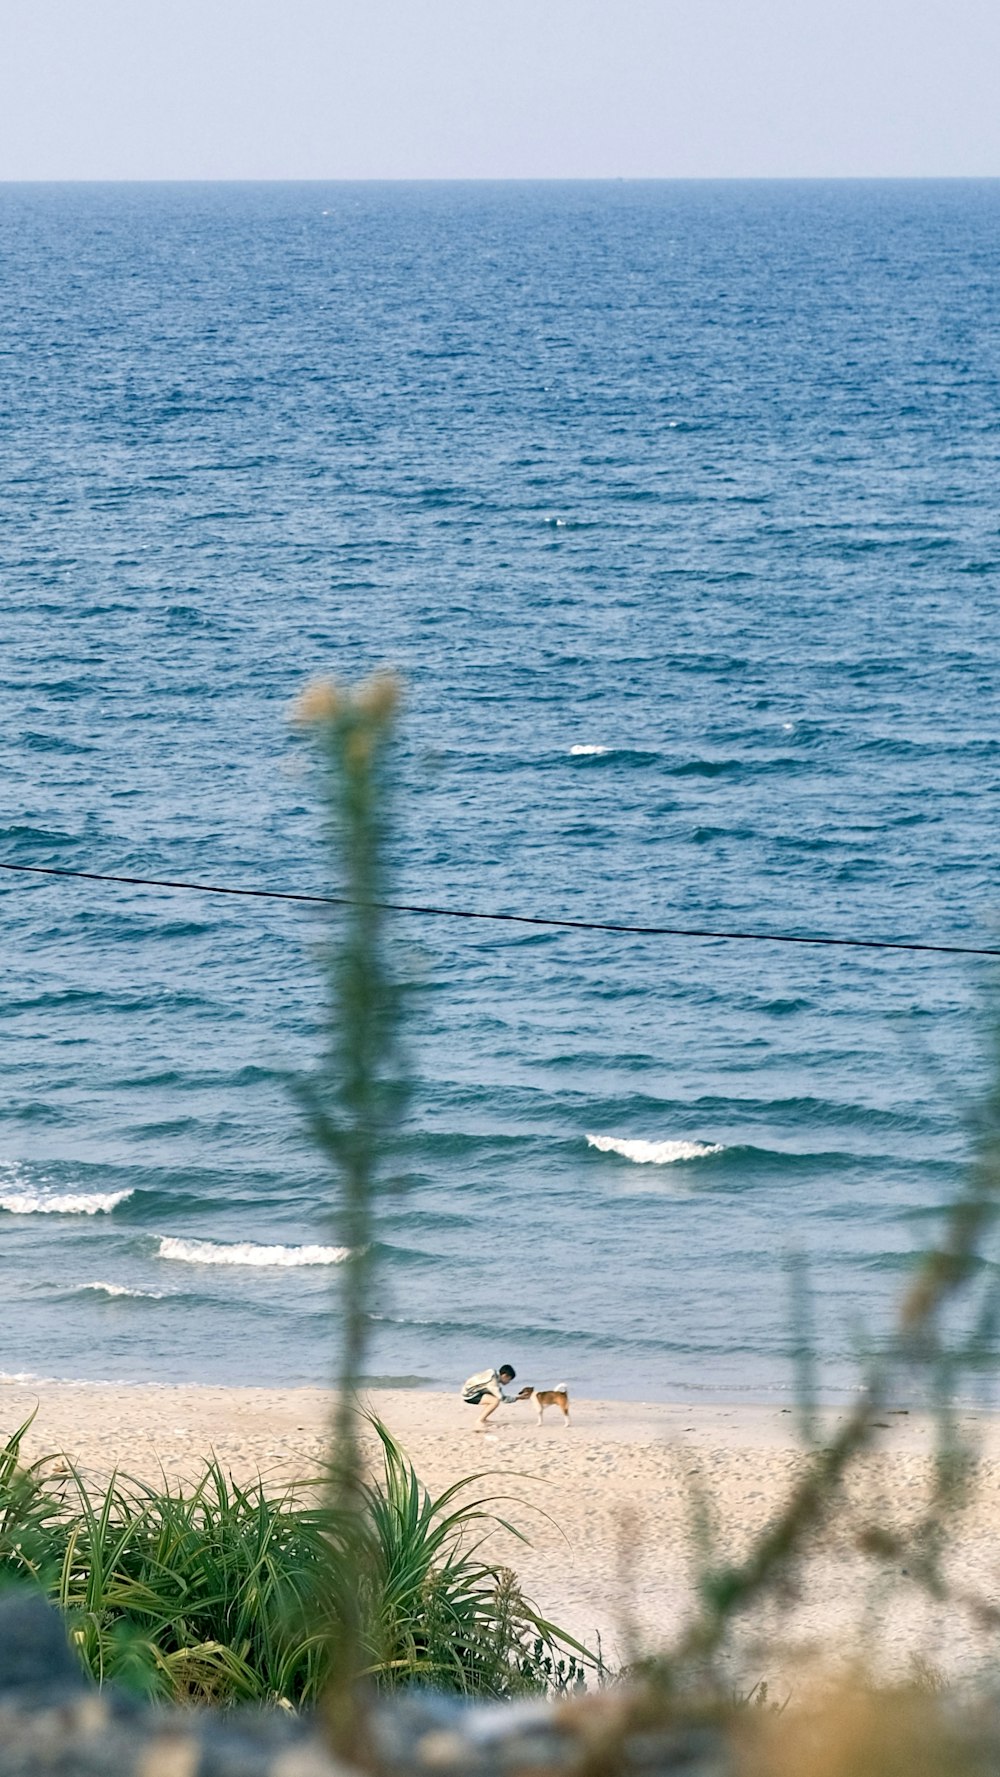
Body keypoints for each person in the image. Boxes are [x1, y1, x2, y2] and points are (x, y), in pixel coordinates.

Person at [461, 1362, 516, 1432]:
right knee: (495, 1401)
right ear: (505, 1376)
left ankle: (483, 1418)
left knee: (492, 1397)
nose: (509, 1382)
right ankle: (479, 1420)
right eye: (509, 1379)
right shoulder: (493, 1382)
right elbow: (503, 1399)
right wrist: (518, 1398)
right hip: (469, 1395)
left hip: (469, 1389)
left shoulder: (493, 1372)